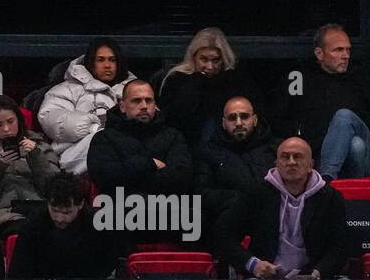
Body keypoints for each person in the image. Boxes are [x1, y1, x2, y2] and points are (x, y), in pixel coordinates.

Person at [215, 136, 360, 280]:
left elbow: (340, 247)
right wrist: (253, 264)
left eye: (298, 157)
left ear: (311, 165)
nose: (291, 162)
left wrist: (318, 273)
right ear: (276, 163)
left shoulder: (330, 198)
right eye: (285, 157)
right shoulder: (258, 193)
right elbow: (223, 234)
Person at [268, 24, 370, 180]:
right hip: (317, 153)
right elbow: (279, 118)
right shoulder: (299, 78)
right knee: (355, 145)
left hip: (363, 156)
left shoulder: (359, 77)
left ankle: (326, 180)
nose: (346, 55)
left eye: (348, 50)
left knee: (344, 118)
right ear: (319, 54)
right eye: (338, 50)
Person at [8, 172, 124, 280]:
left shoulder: (97, 225)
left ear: (81, 204)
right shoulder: (32, 226)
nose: (60, 218)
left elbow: (108, 262)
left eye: (67, 212)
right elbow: (19, 273)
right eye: (55, 210)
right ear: (47, 203)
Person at [0, 95, 59, 237]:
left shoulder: (39, 144)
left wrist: (36, 157)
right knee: (23, 231)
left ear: (19, 120)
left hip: (38, 209)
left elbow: (54, 190)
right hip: (1, 213)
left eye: (10, 121)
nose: (6, 129)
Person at [151, 27, 263, 149]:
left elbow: (255, 114)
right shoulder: (177, 79)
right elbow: (170, 118)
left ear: (223, 59)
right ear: (194, 57)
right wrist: (195, 83)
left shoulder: (236, 80)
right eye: (204, 59)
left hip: (229, 146)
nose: (210, 66)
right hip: (184, 144)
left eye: (216, 60)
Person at [37, 37, 134, 175]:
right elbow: (50, 117)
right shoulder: (68, 88)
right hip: (75, 157)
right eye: (100, 60)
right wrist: (91, 127)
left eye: (112, 60)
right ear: (91, 63)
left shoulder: (134, 91)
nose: (107, 65)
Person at [87, 79, 192, 198]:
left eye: (149, 100)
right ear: (122, 106)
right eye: (136, 101)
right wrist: (150, 164)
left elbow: (181, 180)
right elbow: (104, 178)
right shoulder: (104, 138)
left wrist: (130, 179)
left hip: (165, 210)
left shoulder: (173, 136)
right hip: (119, 212)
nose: (144, 106)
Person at [195, 94, 279, 227]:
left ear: (255, 120)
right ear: (223, 123)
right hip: (228, 223)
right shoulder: (208, 153)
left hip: (273, 223)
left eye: (244, 116)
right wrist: (239, 199)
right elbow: (200, 194)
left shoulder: (276, 149)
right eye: (232, 118)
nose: (239, 123)